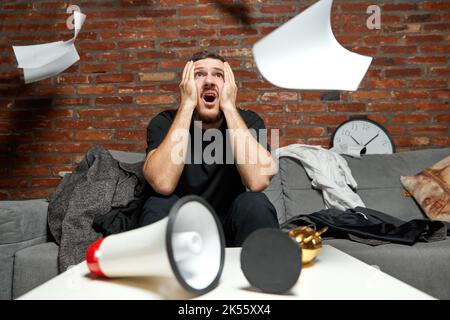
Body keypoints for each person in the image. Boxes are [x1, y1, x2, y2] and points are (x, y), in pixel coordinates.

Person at [140, 51, 279, 246]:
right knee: (158, 203)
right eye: (199, 74)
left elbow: (258, 181)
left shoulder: (248, 121)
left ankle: (265, 273)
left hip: (230, 227)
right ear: (186, 84)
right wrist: (187, 104)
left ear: (228, 85)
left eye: (218, 75)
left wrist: (230, 107)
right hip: (183, 229)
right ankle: (157, 274)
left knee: (255, 202)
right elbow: (162, 183)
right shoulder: (164, 122)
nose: (209, 81)